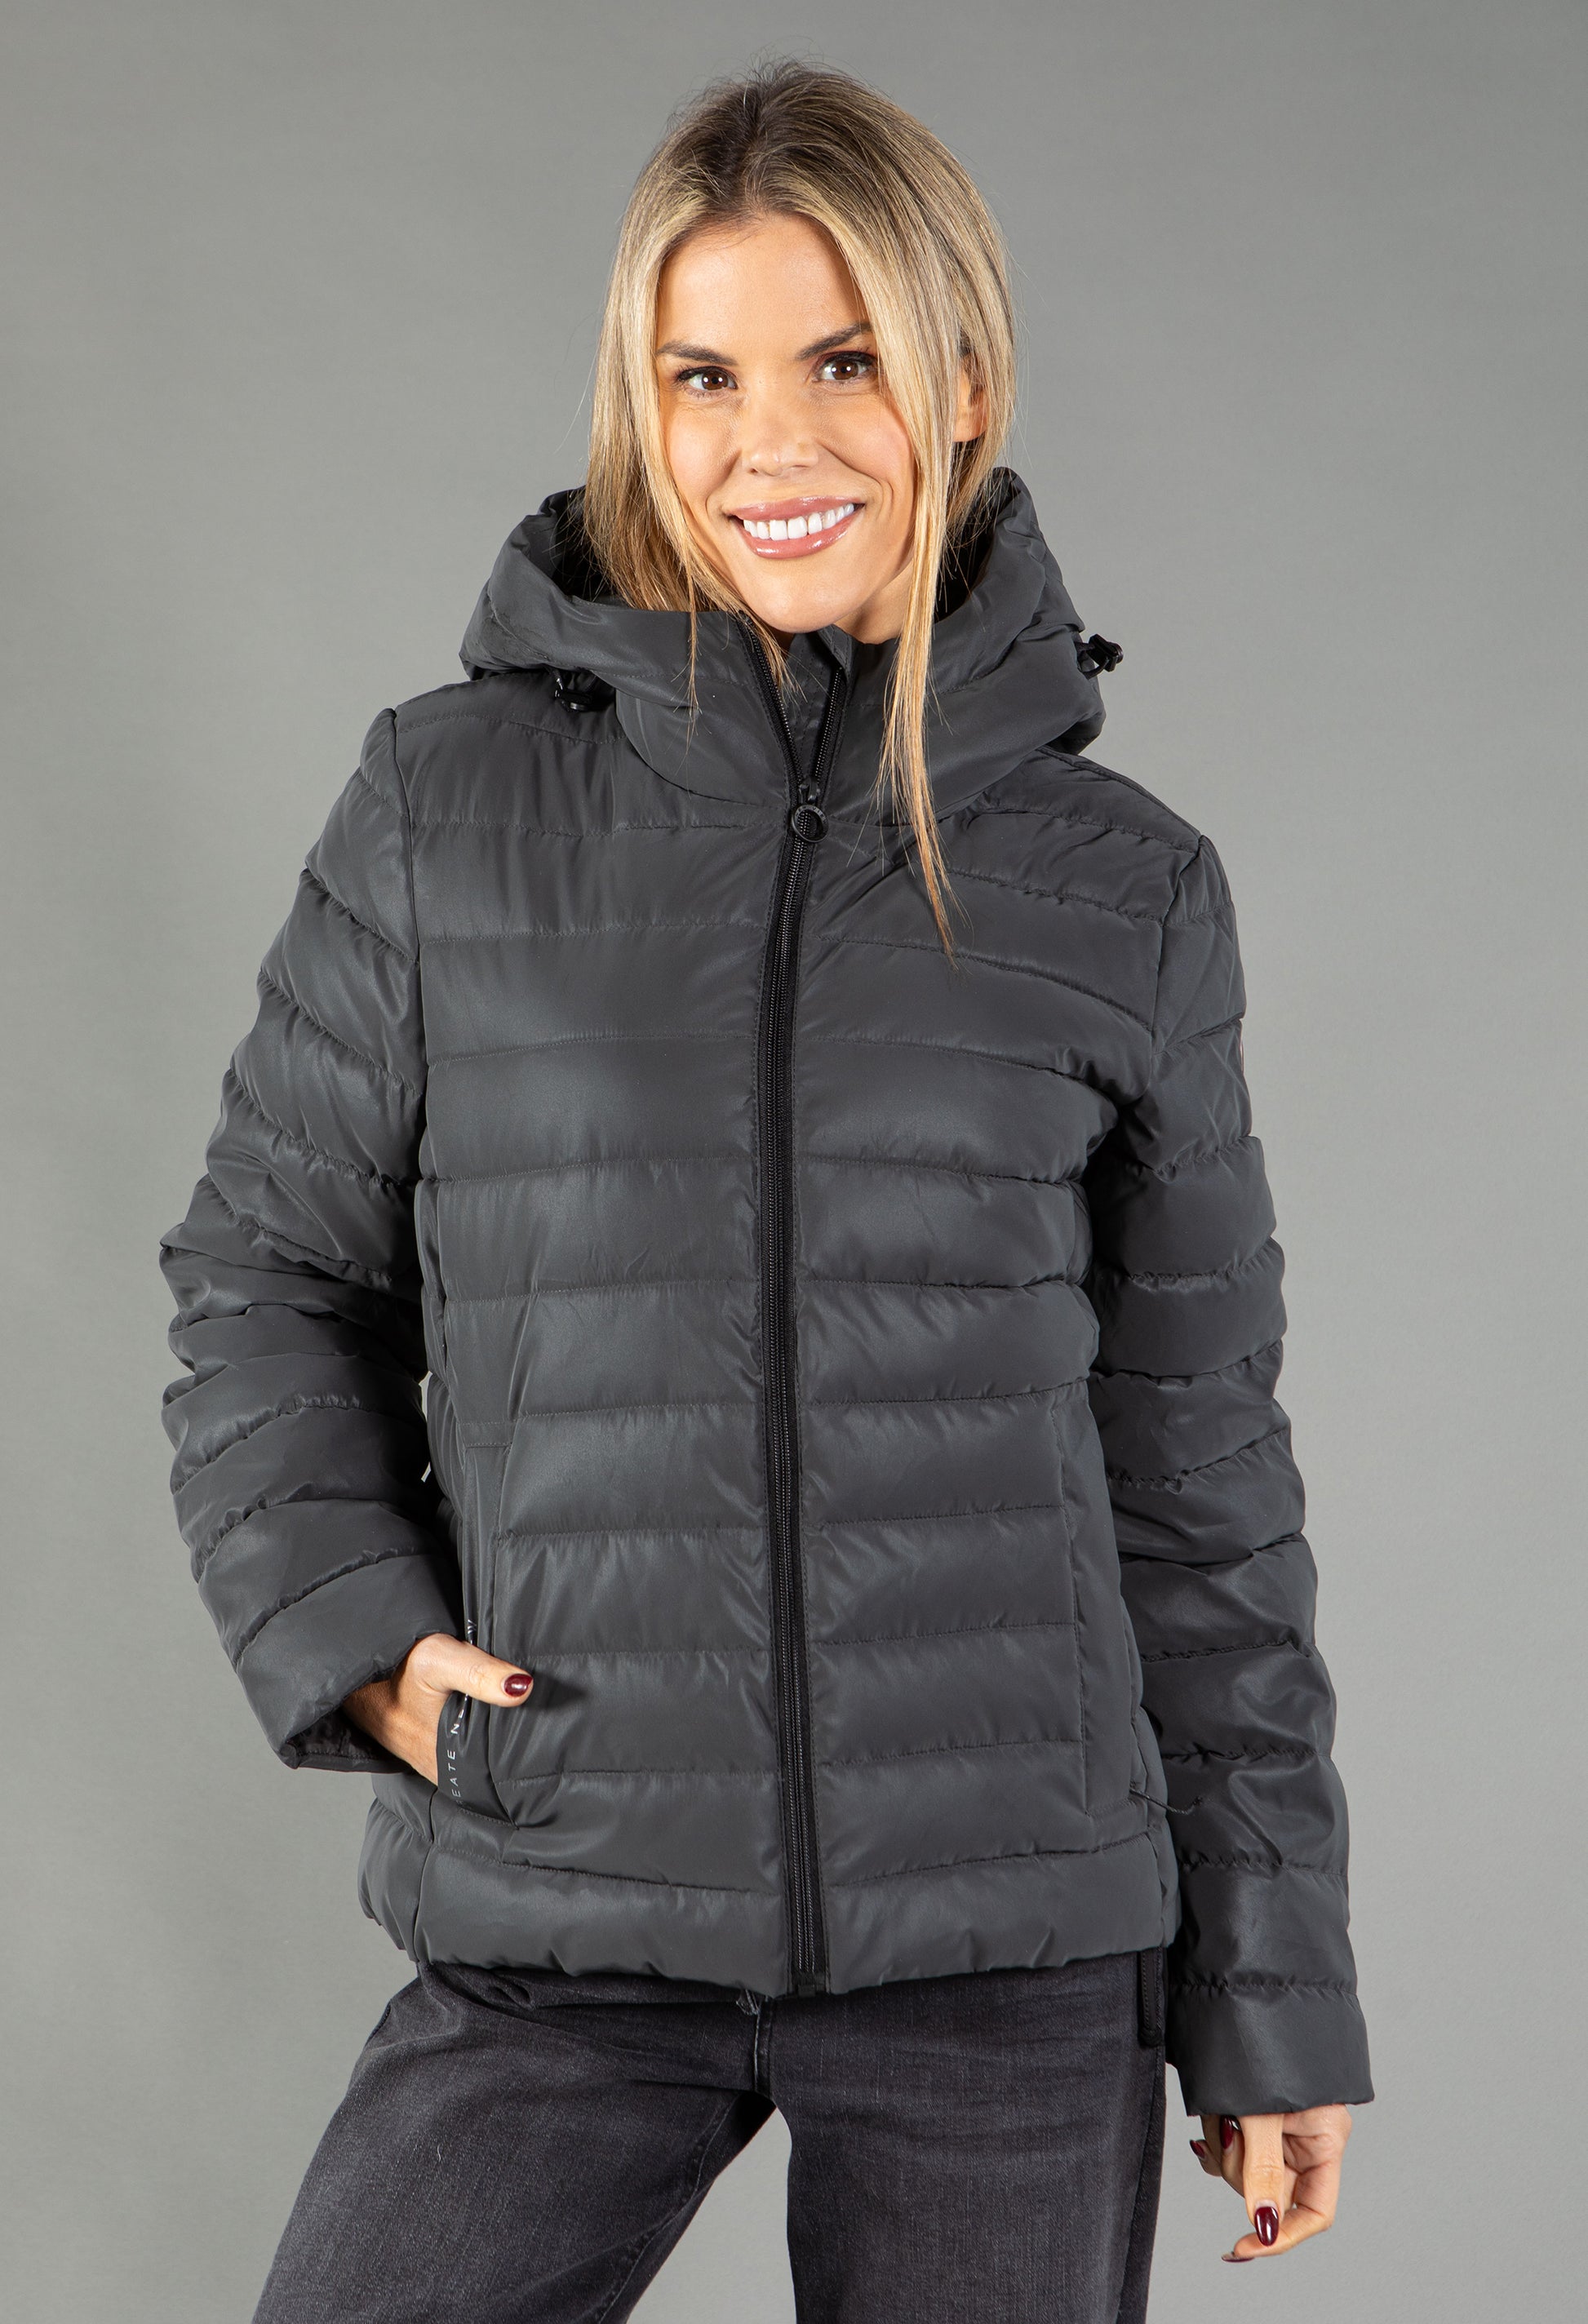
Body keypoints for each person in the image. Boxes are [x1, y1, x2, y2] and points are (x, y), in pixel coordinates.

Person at [159, 58, 1371, 2324]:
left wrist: (1270, 1982)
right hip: (565, 1885)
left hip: (1011, 1947)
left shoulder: (1123, 889)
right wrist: (365, 1652)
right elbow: (263, 1276)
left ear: (964, 385)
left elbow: (1197, 1462)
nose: (769, 443)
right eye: (700, 374)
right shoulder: (444, 808)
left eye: (843, 361)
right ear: (641, 402)